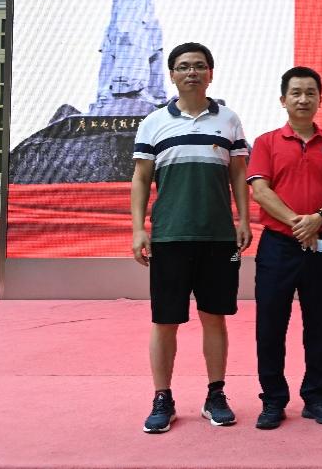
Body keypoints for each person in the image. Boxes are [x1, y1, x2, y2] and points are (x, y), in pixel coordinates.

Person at [130, 42, 251, 434]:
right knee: (165, 320)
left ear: (210, 73)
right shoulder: (153, 122)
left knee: (214, 317)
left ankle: (215, 395)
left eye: (199, 66)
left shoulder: (229, 120)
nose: (192, 72)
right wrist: (138, 228)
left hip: (218, 236)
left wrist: (243, 219)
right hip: (170, 236)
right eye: (183, 67)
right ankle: (162, 398)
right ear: (172, 75)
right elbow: (141, 179)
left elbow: (238, 174)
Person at [248, 66, 322, 429]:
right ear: (283, 100)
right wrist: (299, 223)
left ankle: (316, 396)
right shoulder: (266, 142)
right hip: (278, 246)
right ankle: (273, 400)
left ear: (320, 99)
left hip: (321, 244)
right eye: (296, 93)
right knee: (270, 325)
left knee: (319, 324)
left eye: (310, 93)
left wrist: (318, 219)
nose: (303, 99)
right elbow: (260, 190)